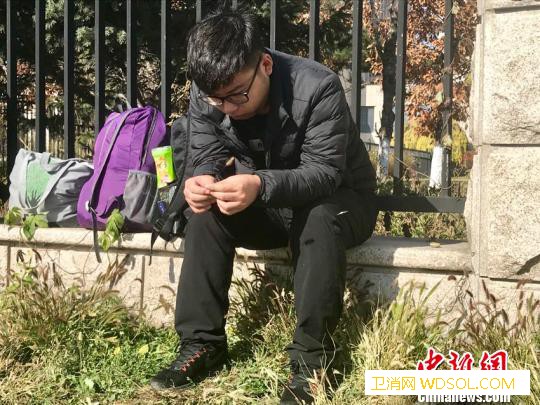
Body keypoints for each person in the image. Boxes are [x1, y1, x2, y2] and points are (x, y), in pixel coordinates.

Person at [150, 8, 377, 404]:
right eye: (217, 99)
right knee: (204, 214)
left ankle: (312, 364)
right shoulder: (209, 93)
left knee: (317, 219)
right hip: (267, 201)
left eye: (238, 94)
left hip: (341, 200)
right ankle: (202, 344)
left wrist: (259, 184)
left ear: (265, 66)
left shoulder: (318, 86)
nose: (228, 107)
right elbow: (205, 152)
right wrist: (201, 181)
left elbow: (324, 173)